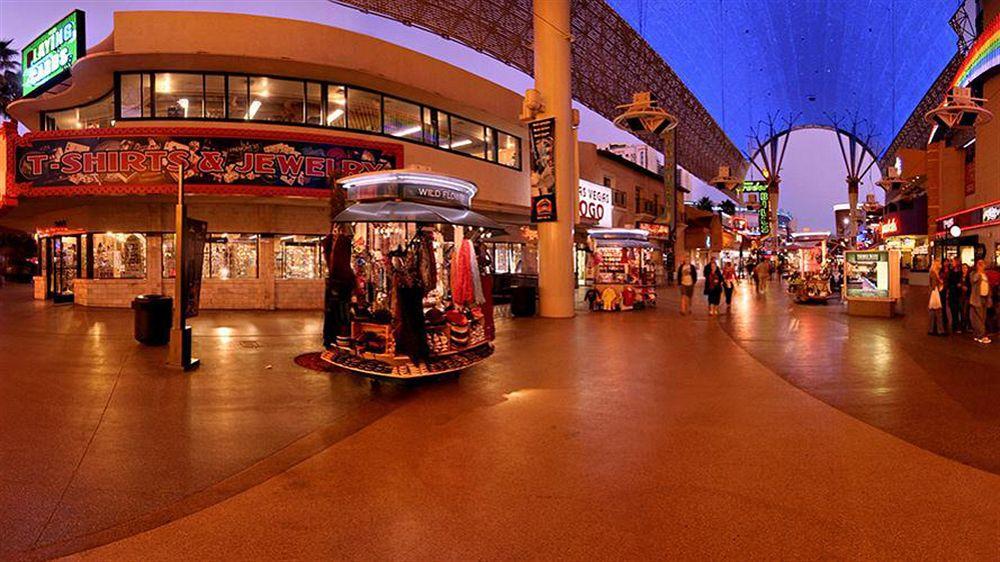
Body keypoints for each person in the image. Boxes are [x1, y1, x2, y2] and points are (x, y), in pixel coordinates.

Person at [969, 259, 991, 344]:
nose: (982, 265)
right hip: (977, 299)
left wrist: (989, 298)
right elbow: (973, 280)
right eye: (980, 264)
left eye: (983, 263)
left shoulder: (985, 275)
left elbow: (988, 286)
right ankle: (981, 335)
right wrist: (978, 271)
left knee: (983, 317)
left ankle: (977, 334)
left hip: (985, 298)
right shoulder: (974, 274)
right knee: (978, 317)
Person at [928, 259, 946, 336]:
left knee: (933, 311)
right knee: (938, 311)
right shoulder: (934, 273)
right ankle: (940, 330)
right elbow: (934, 284)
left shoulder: (933, 273)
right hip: (935, 292)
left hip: (934, 292)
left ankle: (932, 329)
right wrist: (940, 283)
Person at [946, 257, 964, 334]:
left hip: (958, 293)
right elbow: (949, 282)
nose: (952, 263)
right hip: (953, 293)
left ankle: (959, 325)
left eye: (953, 261)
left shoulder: (960, 272)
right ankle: (955, 325)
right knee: (953, 310)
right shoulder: (951, 272)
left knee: (959, 309)